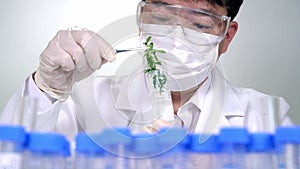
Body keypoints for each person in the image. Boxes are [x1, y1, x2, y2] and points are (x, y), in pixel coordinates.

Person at [0, 0, 293, 140]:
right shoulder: (83, 104)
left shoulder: (267, 118)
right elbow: (11, 155)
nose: (177, 38)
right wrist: (46, 87)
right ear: (141, 20)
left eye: (200, 25)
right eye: (162, 18)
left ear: (226, 37)